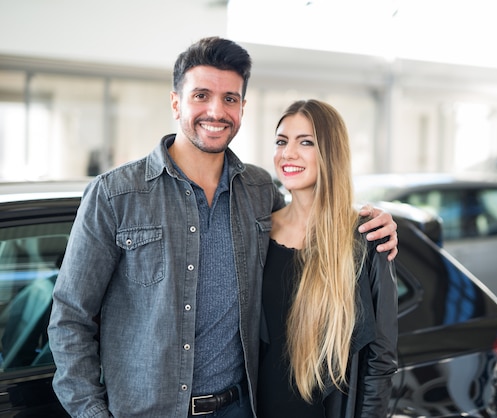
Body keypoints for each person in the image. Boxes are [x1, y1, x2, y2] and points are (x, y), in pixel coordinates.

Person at [47, 37, 398, 418]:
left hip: (241, 407)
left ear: (242, 108)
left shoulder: (260, 192)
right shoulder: (114, 196)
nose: (216, 110)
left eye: (229, 98)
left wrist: (369, 220)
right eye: (201, 95)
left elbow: (313, 228)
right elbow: (70, 319)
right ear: (176, 102)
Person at [257, 99, 398, 418]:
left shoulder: (366, 236)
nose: (288, 153)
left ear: (330, 152)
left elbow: (381, 359)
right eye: (282, 141)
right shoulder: (259, 232)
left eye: (305, 142)